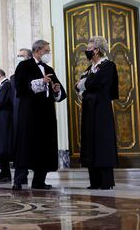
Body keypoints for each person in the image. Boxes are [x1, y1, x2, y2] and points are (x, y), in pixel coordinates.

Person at [14, 40, 66, 190]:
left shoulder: (48, 68)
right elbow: (20, 87)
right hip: (29, 114)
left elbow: (59, 92)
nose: (48, 54)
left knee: (44, 146)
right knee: (25, 146)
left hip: (46, 114)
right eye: (46, 51)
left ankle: (39, 180)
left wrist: (56, 89)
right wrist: (41, 82)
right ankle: (18, 180)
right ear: (37, 51)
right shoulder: (24, 66)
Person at [76, 36, 119, 190]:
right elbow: (79, 86)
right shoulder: (89, 69)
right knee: (89, 142)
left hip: (101, 110)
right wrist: (84, 84)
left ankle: (106, 182)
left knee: (102, 143)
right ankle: (94, 181)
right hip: (88, 110)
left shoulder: (108, 66)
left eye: (89, 48)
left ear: (97, 50)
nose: (87, 51)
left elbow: (94, 82)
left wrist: (84, 84)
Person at [11, 48, 32, 190]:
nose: (19, 58)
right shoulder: (13, 78)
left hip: (32, 116)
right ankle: (20, 178)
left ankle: (39, 180)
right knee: (21, 150)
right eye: (18, 55)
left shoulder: (34, 74)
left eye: (22, 56)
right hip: (18, 117)